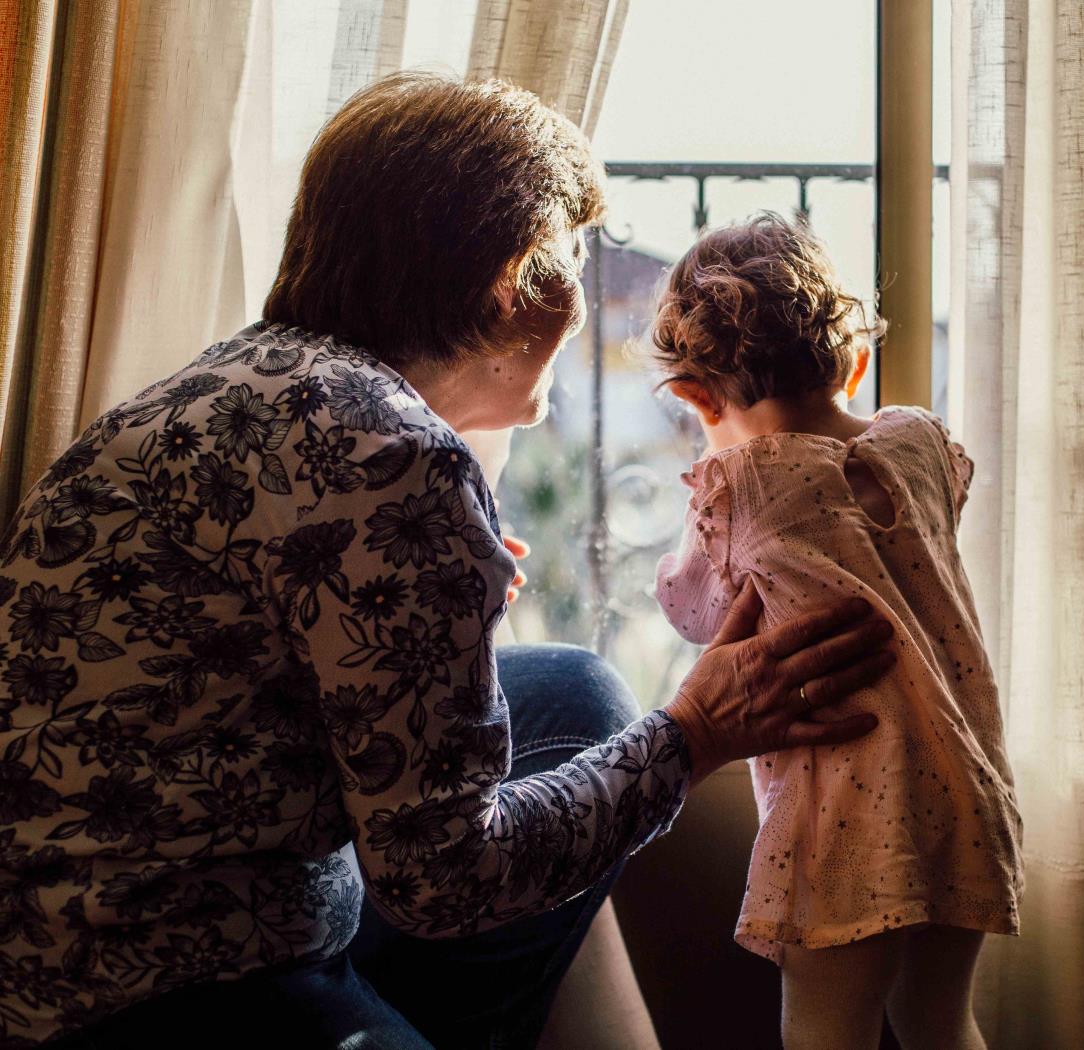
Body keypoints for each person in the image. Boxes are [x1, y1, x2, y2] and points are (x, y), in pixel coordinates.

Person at [0, 77, 897, 1049]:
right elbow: (443, 879)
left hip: (50, 926)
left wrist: (433, 604)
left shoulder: (223, 384)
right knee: (601, 747)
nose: (579, 298)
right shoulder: (397, 458)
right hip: (170, 982)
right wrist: (697, 733)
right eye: (571, 257)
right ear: (513, 279)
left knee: (573, 694)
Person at [652, 214, 1024, 1050]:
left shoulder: (740, 482)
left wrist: (706, 509)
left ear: (695, 397)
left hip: (847, 818)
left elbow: (696, 612)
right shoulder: (919, 441)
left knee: (828, 1029)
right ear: (854, 362)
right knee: (940, 1020)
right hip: (964, 784)